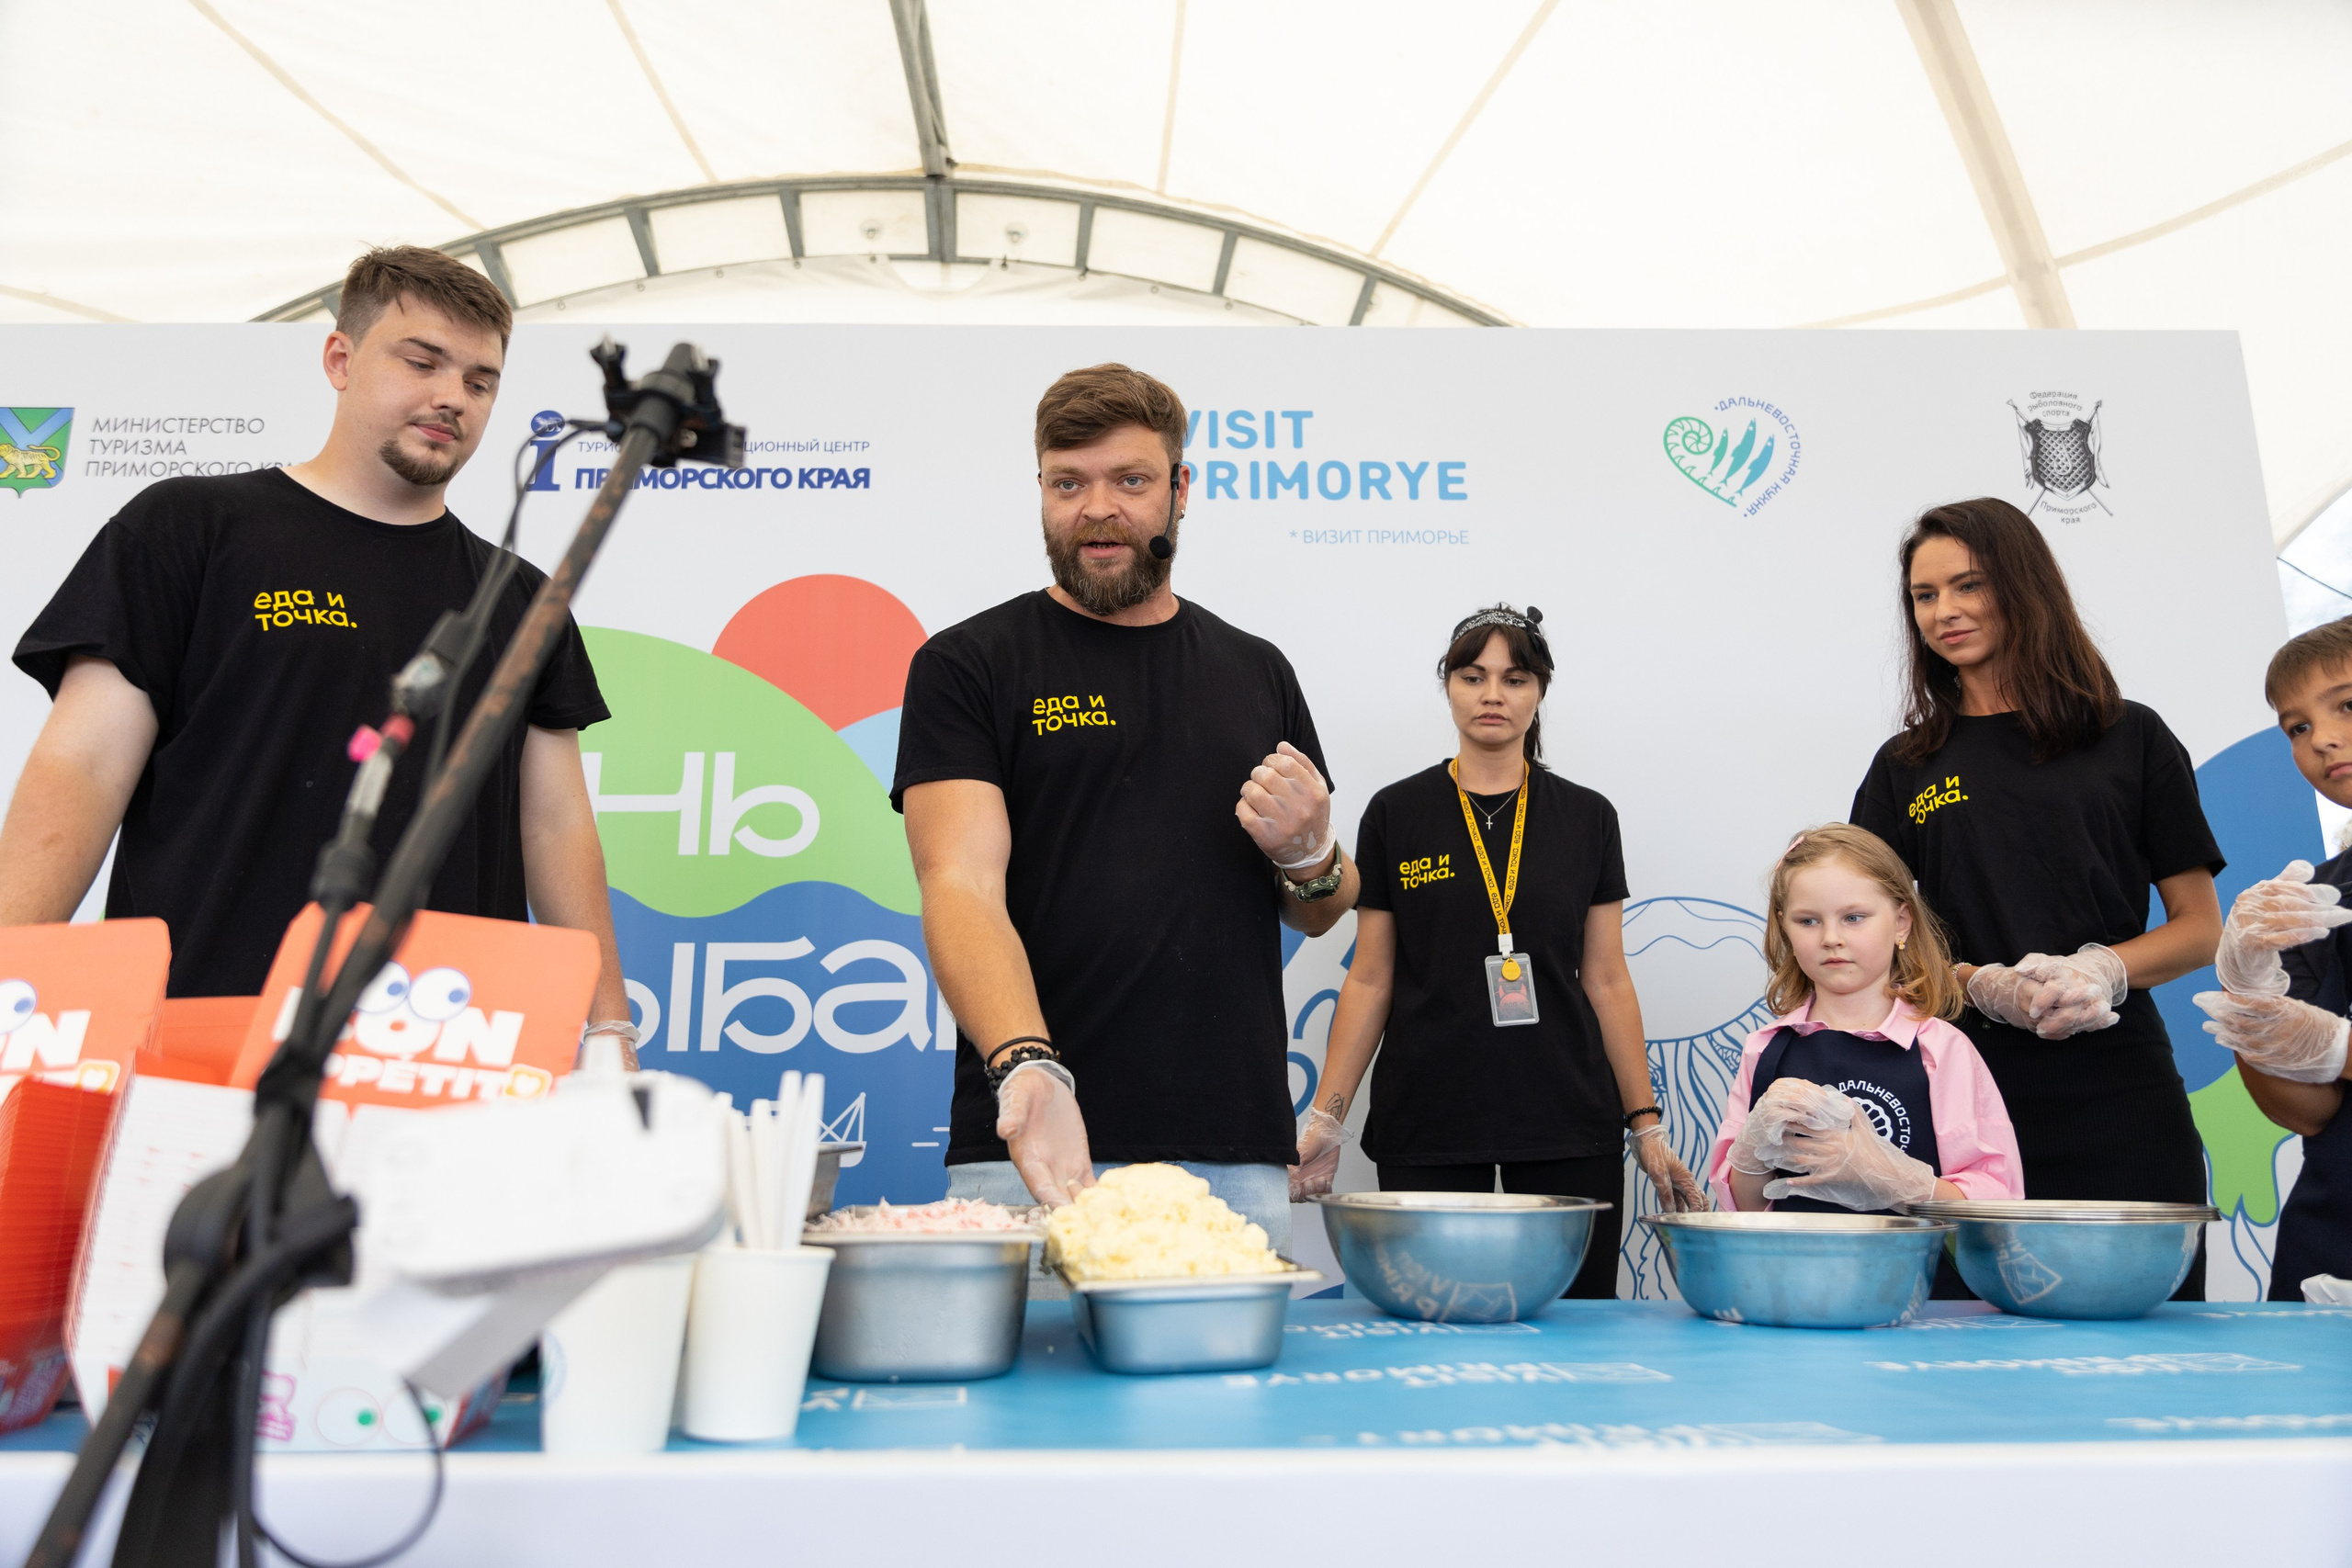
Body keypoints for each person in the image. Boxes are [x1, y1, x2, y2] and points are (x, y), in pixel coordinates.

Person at [0, 246, 637, 1061]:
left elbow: (555, 824)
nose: (453, 397)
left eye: (480, 381)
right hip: (197, 1038)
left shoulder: (518, 598)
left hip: (445, 1050)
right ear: (340, 358)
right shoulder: (188, 527)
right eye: (423, 361)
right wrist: (15, 982)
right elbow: (82, 767)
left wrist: (608, 1028)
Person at [893, 363, 1355, 1251]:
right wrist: (1028, 1066)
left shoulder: (1257, 670)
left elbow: (1324, 904)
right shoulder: (968, 665)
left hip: (1235, 1154)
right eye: (1069, 483)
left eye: (1130, 481)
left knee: (1233, 1393)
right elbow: (958, 884)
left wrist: (1311, 854)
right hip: (1035, 1137)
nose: (1097, 508)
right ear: (1041, 490)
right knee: (1033, 1391)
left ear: (1180, 490)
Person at [1850, 498, 2222, 1295]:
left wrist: (2101, 972)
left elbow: (2199, 930)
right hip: (1958, 1094)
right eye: (1924, 595)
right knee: (1963, 1358)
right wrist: (1979, 982)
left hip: (2121, 1092)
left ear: (2022, 585)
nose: (1944, 612)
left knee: (2147, 1348)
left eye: (1968, 585)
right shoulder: (1905, 764)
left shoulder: (2132, 736)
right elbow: (1864, 951)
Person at [1296, 606, 1705, 1299]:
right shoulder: (1399, 812)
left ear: (1539, 690)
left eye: (1514, 678)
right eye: (1472, 675)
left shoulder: (1587, 817)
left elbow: (1606, 979)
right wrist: (1327, 1117)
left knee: (1576, 1338)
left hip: (1566, 1120)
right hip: (1429, 1117)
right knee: (1429, 1329)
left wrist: (1646, 1124)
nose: (1493, 694)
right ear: (1447, 686)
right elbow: (1370, 979)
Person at [1704, 826, 2023, 1278]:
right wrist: (1752, 1152)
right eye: (1808, 920)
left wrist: (1906, 1183)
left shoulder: (1942, 1050)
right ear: (1783, 928)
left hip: (1926, 1305)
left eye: (1854, 917)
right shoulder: (1766, 1049)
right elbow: (1747, 1208)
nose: (1831, 937)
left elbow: (1998, 1210)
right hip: (1795, 1290)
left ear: (1901, 922)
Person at [2194, 616, 2352, 1298]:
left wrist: (2339, 1046)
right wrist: (2250, 996)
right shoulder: (2314, 896)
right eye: (2296, 726)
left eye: (2345, 704)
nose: (2322, 738)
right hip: (2331, 1237)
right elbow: (2307, 1111)